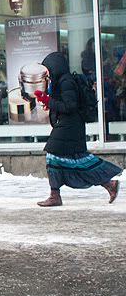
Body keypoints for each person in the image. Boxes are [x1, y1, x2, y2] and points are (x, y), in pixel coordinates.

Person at [34, 51, 122, 207]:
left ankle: (55, 195)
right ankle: (108, 184)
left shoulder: (66, 82)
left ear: (55, 66)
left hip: (70, 125)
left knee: (57, 155)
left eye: (47, 68)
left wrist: (49, 100)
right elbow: (63, 104)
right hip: (69, 125)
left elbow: (70, 106)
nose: (46, 72)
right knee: (76, 160)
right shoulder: (60, 80)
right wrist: (47, 100)